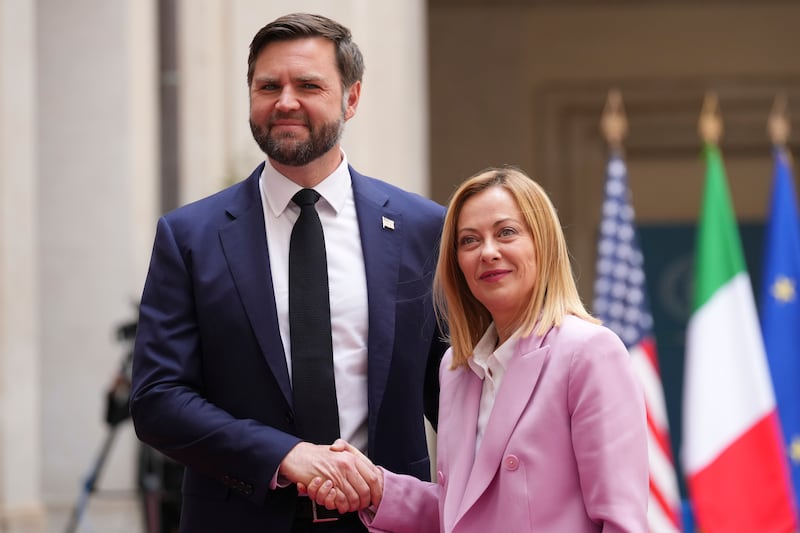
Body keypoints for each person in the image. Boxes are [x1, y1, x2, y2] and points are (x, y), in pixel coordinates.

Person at [129, 12, 446, 533]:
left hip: (385, 520)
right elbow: (158, 399)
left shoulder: (420, 228)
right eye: (268, 86)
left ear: (352, 97)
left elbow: (459, 389)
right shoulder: (190, 237)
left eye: (309, 85)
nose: (285, 101)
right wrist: (286, 455)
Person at [307, 166, 649, 532]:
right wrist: (378, 490)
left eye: (506, 233)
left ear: (543, 243)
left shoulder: (589, 353)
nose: (487, 252)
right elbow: (465, 510)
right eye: (469, 240)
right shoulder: (457, 368)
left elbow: (620, 521)